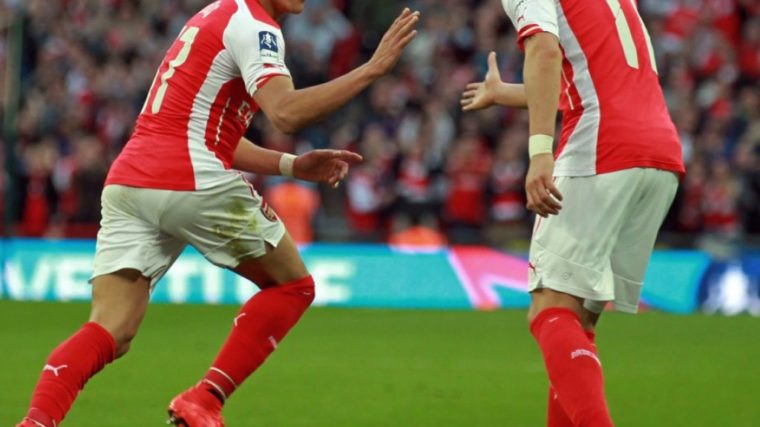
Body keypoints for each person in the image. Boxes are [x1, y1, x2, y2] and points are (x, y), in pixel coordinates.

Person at [16, 1, 419, 426]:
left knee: (110, 329)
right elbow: (286, 113)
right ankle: (205, 399)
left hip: (131, 180)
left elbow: (208, 129)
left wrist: (290, 165)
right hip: (189, 175)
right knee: (292, 286)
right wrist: (371, 70)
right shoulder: (257, 26)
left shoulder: (216, 15)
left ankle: (36, 422)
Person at [462, 1, 684, 425]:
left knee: (550, 310)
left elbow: (544, 49)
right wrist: (504, 93)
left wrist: (539, 152)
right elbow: (589, 81)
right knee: (576, 322)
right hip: (660, 154)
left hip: (601, 149)